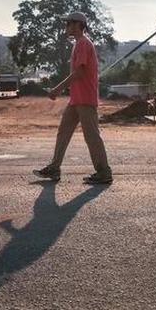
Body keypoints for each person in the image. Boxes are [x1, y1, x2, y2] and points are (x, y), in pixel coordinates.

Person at [32, 11, 113, 185]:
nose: (66, 26)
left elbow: (79, 72)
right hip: (77, 99)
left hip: (85, 99)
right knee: (63, 133)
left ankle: (104, 172)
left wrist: (57, 89)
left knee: (92, 136)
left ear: (78, 25)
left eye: (68, 23)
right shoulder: (78, 44)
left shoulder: (83, 43)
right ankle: (54, 168)